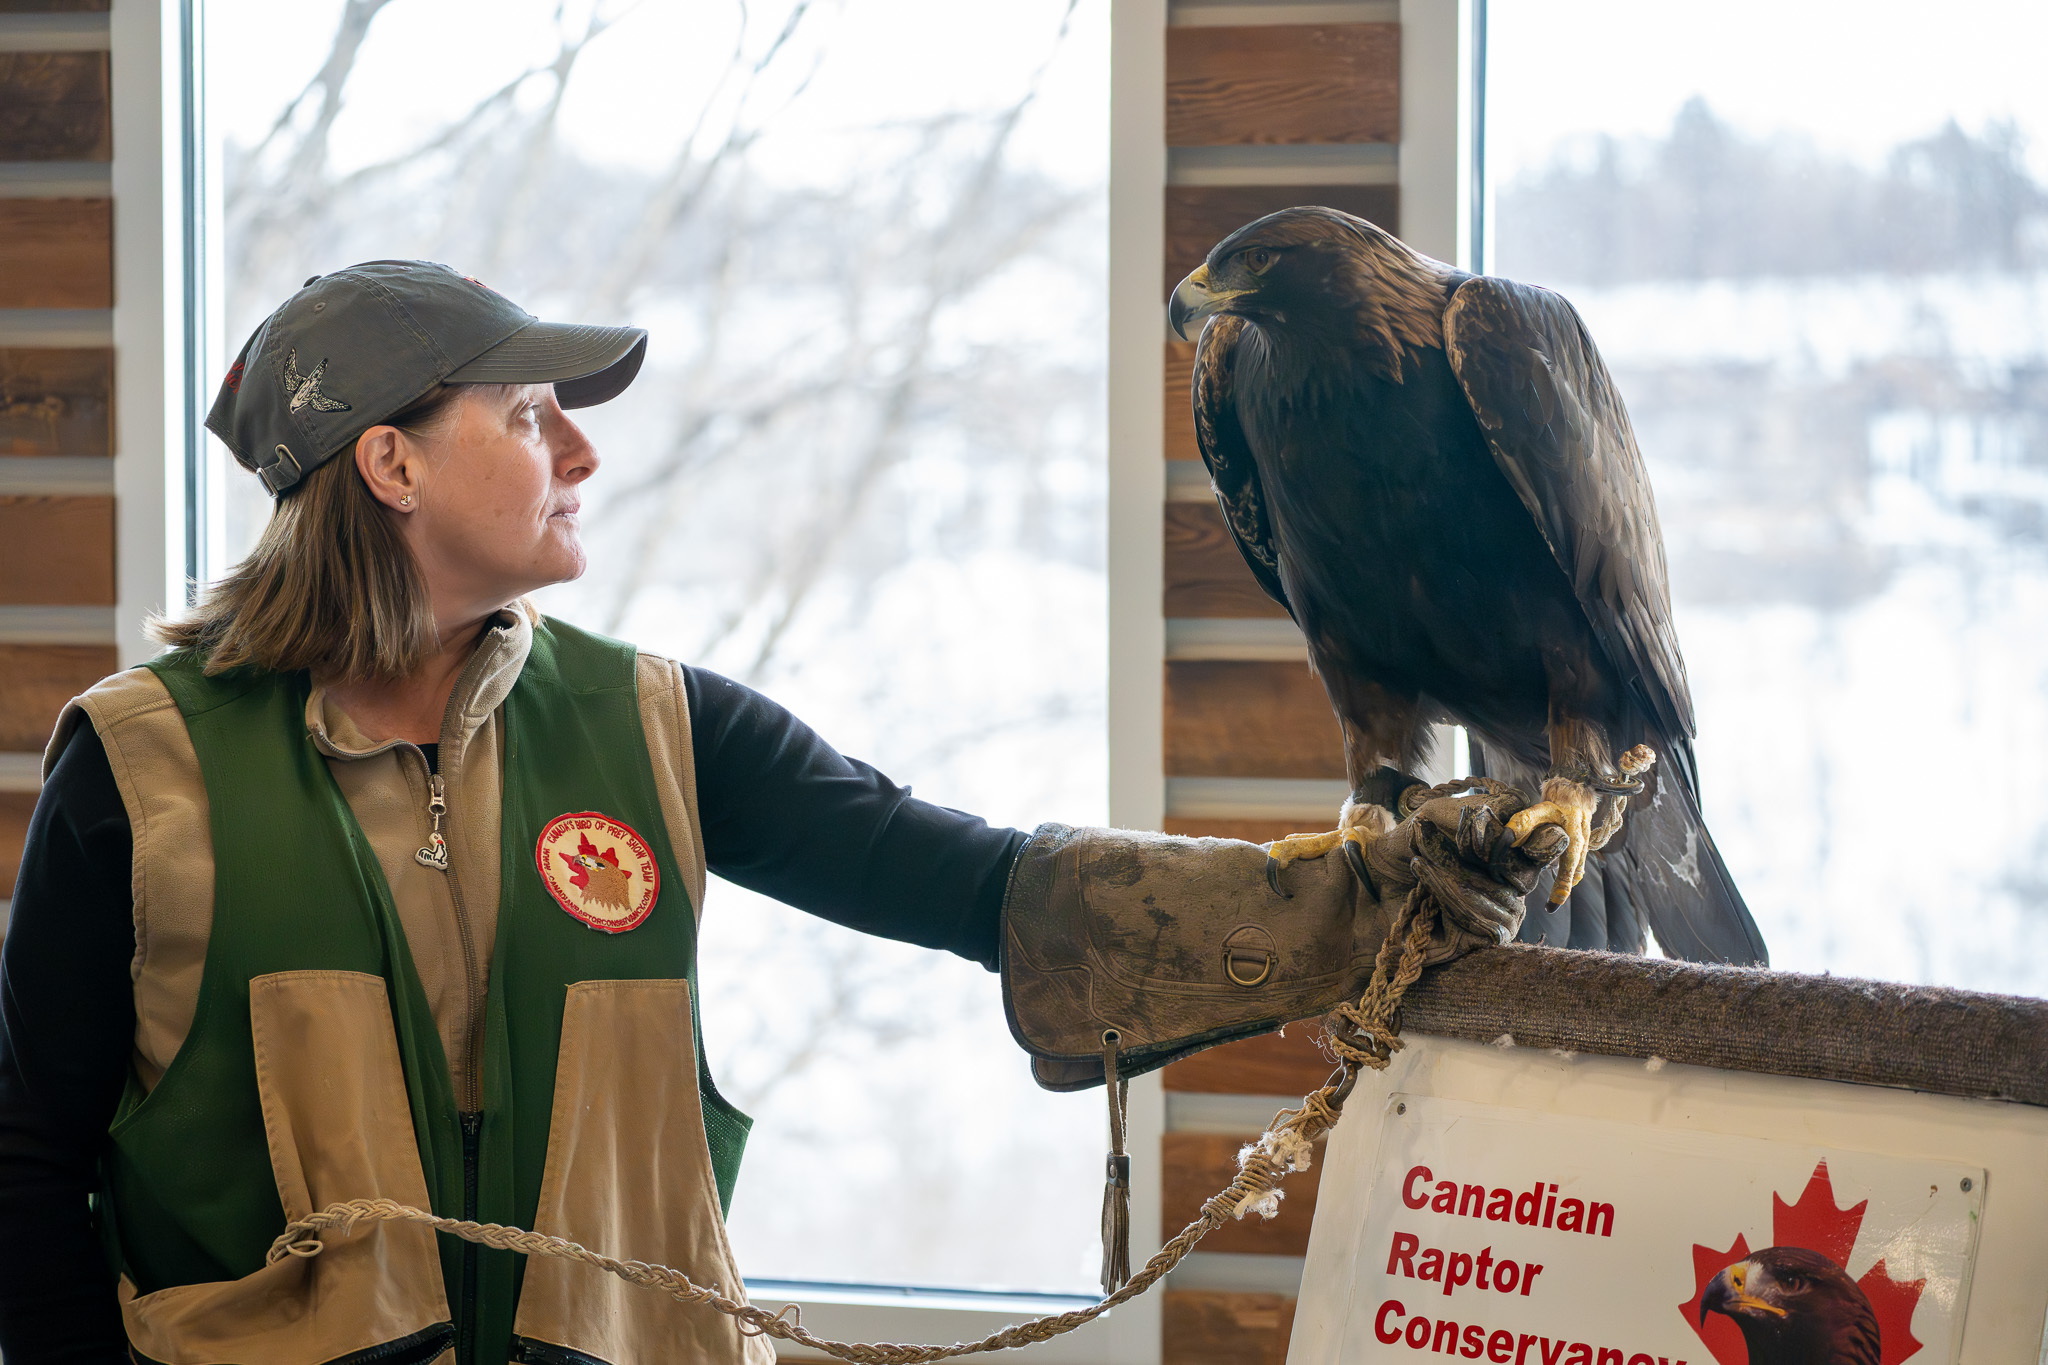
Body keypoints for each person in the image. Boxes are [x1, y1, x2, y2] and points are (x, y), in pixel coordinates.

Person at [0, 262, 1556, 1365]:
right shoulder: (144, 767)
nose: (584, 450)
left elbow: (986, 885)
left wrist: (1365, 897)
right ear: (389, 460)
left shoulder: (657, 727)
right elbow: (25, 1153)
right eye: (533, 412)